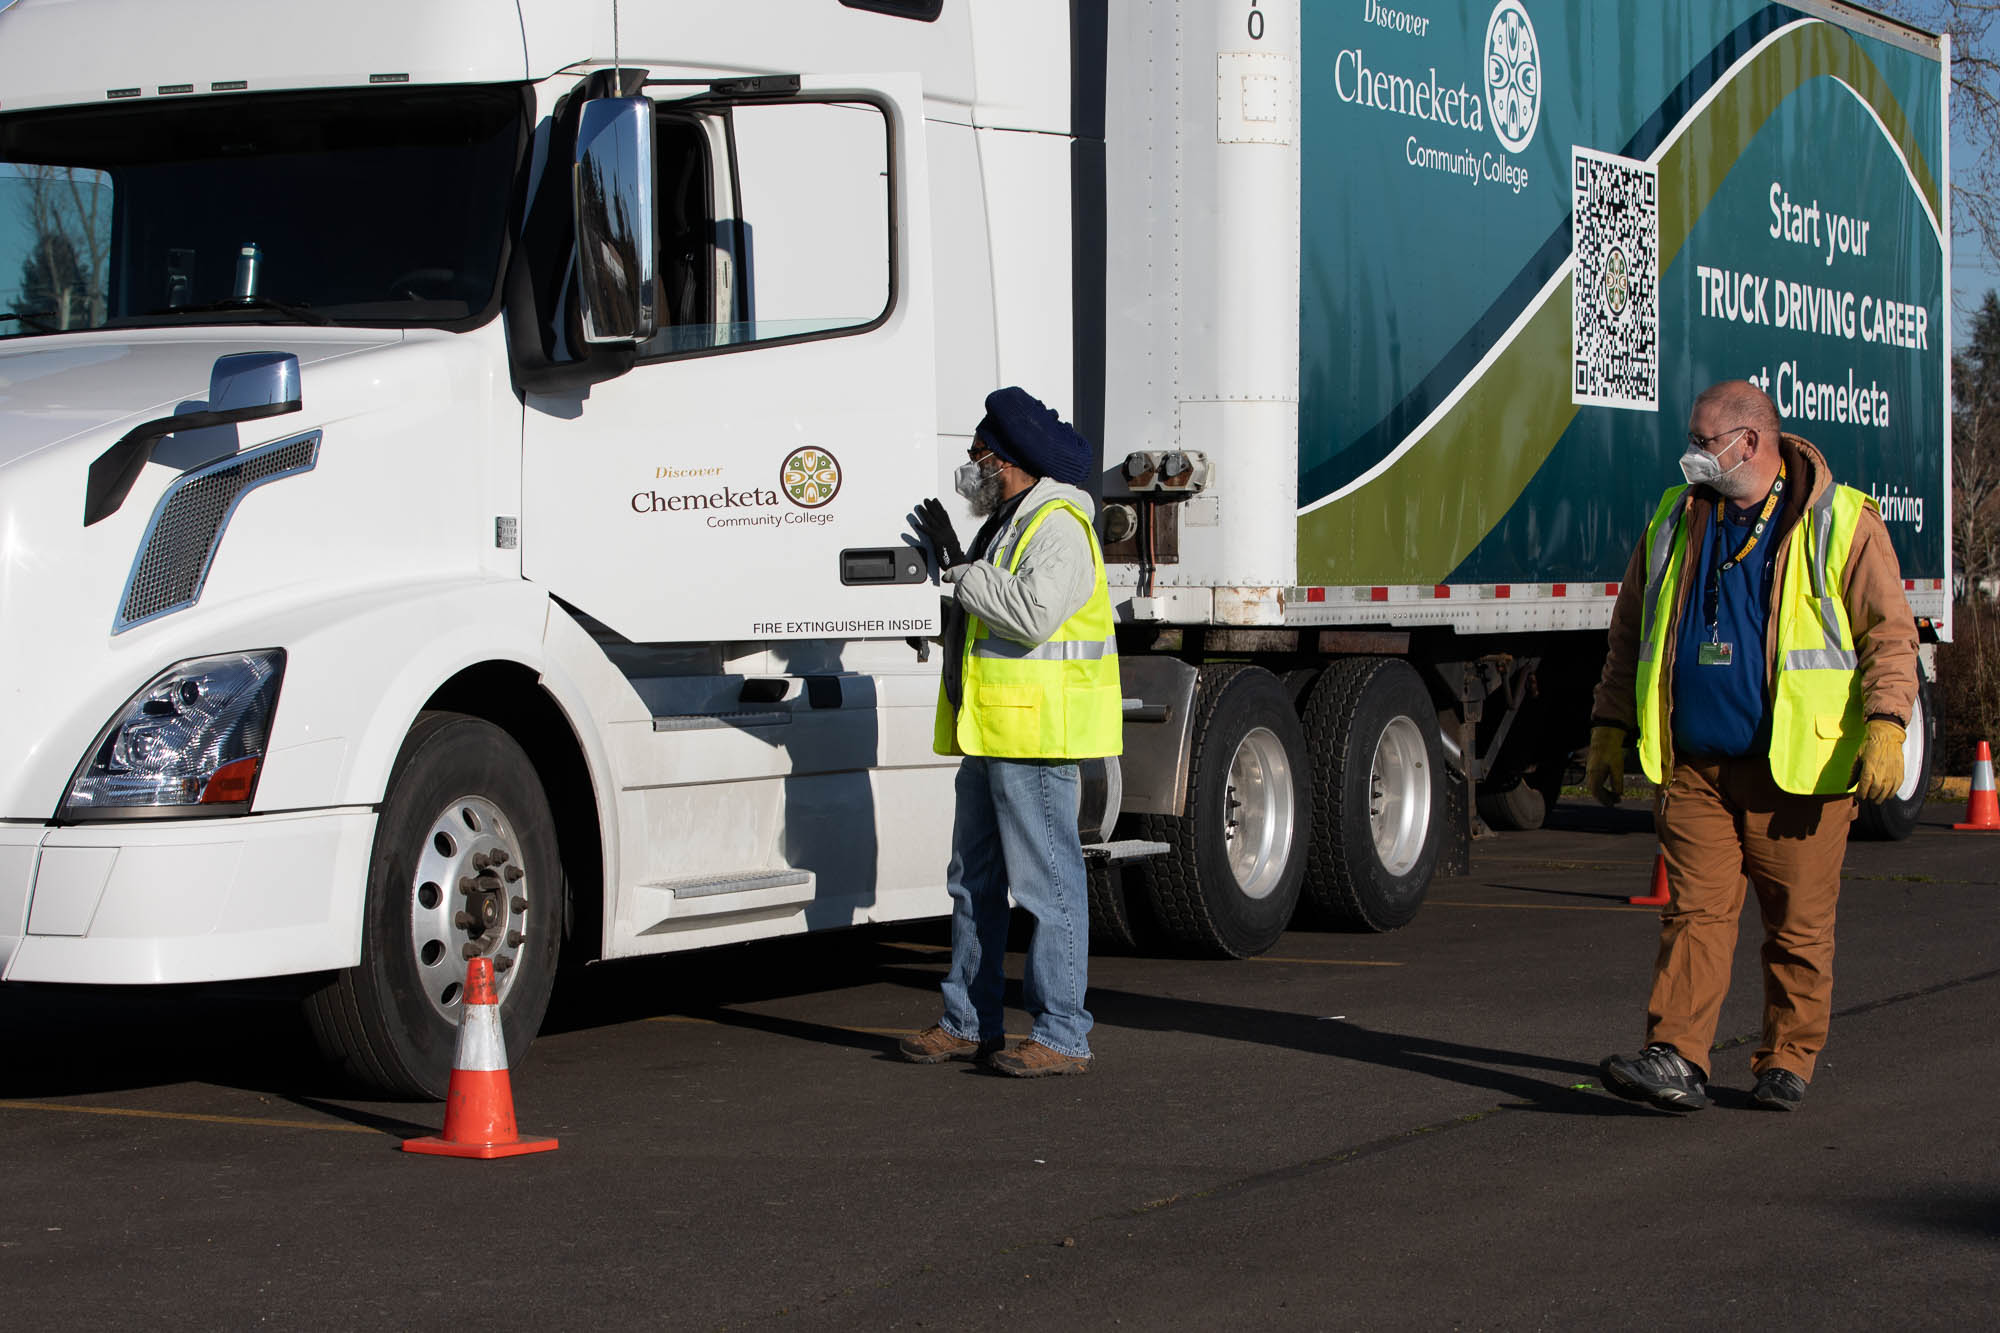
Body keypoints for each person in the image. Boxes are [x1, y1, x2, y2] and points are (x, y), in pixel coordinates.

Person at [1588, 380, 1918, 1114]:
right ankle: (1676, 1055)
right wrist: (1609, 727)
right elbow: (1630, 635)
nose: (1692, 456)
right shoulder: (1676, 519)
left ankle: (1789, 1055)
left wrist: (1889, 723)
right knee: (1693, 915)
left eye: (1705, 443)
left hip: (1797, 771)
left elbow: (1891, 635)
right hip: (1696, 766)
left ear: (1751, 441)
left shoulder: (1842, 521)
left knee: (1797, 923)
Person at [901, 386, 1120, 1077]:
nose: (969, 462)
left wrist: (960, 570)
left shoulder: (1055, 524)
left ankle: (1062, 1033)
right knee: (974, 883)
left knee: (1046, 886)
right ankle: (969, 1023)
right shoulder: (1007, 520)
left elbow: (1030, 614)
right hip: (992, 734)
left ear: (1010, 460)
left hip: (1034, 739)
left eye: (978, 451)